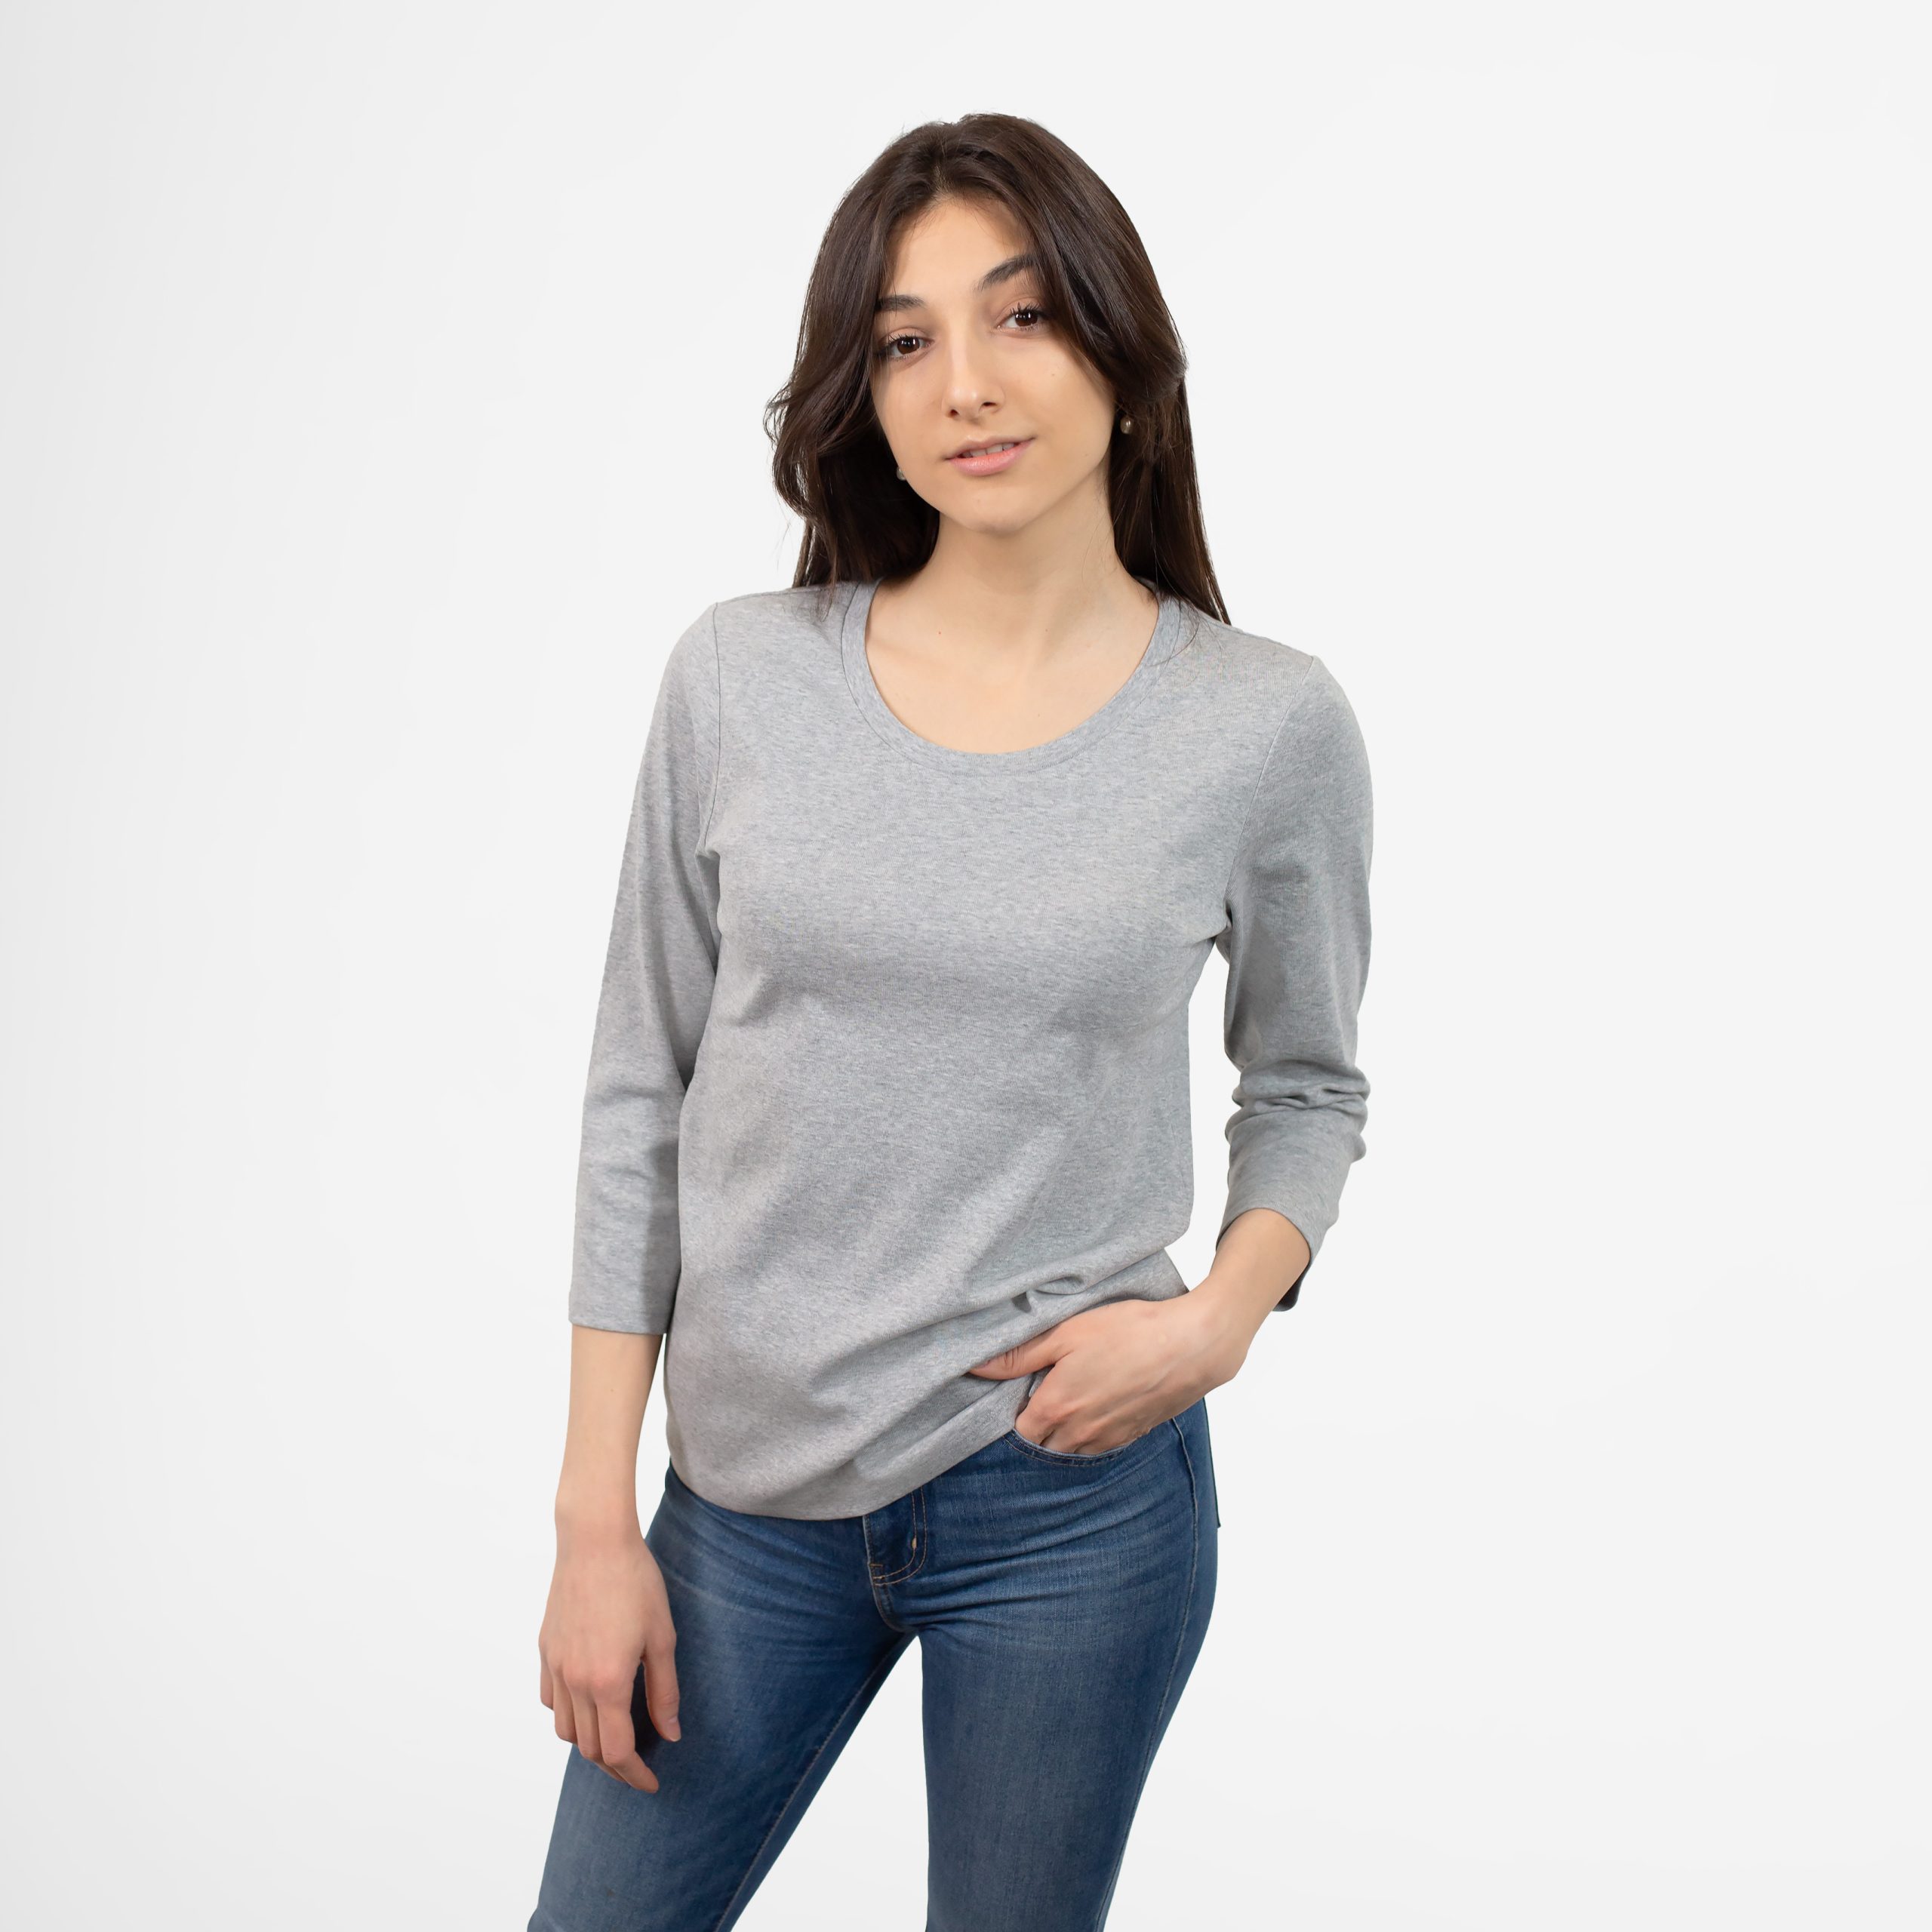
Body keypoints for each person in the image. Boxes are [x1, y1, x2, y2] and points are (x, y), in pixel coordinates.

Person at [528, 112, 1374, 1932]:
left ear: (1120, 357)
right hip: (742, 1501)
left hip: (1068, 1496)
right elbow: (636, 1088)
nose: (964, 383)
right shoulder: (739, 676)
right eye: (904, 339)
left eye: (1020, 316)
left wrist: (1215, 1320)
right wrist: (595, 1516)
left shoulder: (1261, 724)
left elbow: (1304, 1083)